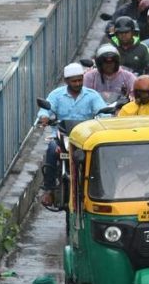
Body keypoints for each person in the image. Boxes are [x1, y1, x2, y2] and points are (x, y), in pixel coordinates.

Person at [38, 64, 107, 206]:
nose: (77, 84)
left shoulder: (92, 95)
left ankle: (101, 186)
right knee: (51, 149)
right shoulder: (56, 95)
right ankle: (49, 190)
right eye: (74, 81)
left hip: (85, 138)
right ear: (66, 81)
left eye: (80, 80)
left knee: (99, 154)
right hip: (62, 136)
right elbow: (45, 110)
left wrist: (105, 117)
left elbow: (103, 111)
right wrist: (44, 117)